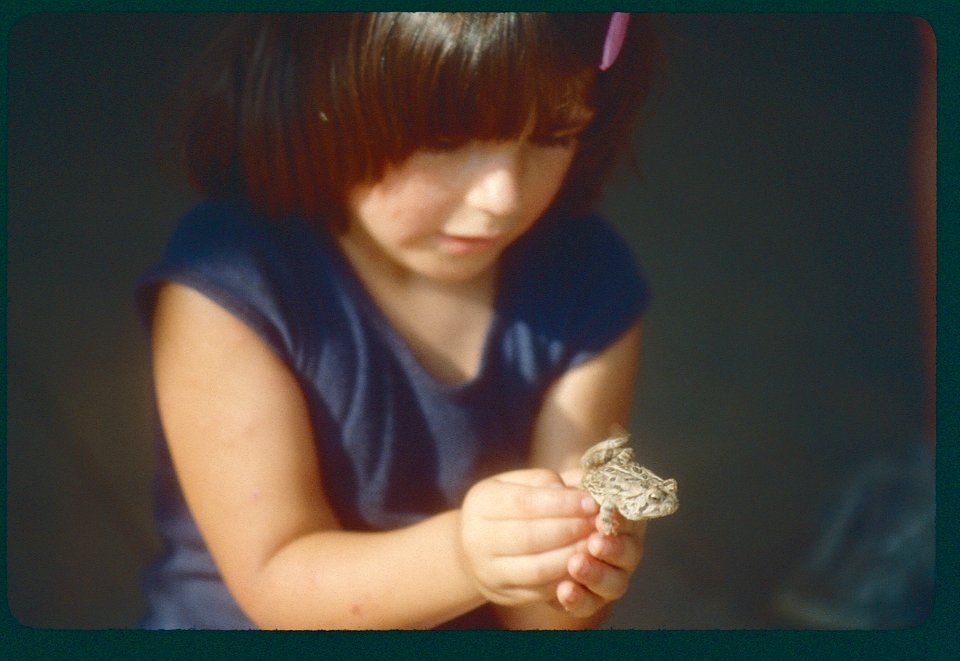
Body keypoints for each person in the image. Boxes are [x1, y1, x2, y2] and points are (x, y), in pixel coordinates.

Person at [136, 13, 661, 629]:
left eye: (553, 136)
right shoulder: (230, 287)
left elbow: (543, 625)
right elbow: (276, 581)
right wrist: (465, 558)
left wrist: (575, 562)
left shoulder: (589, 283)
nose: (502, 197)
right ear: (321, 99)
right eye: (446, 140)